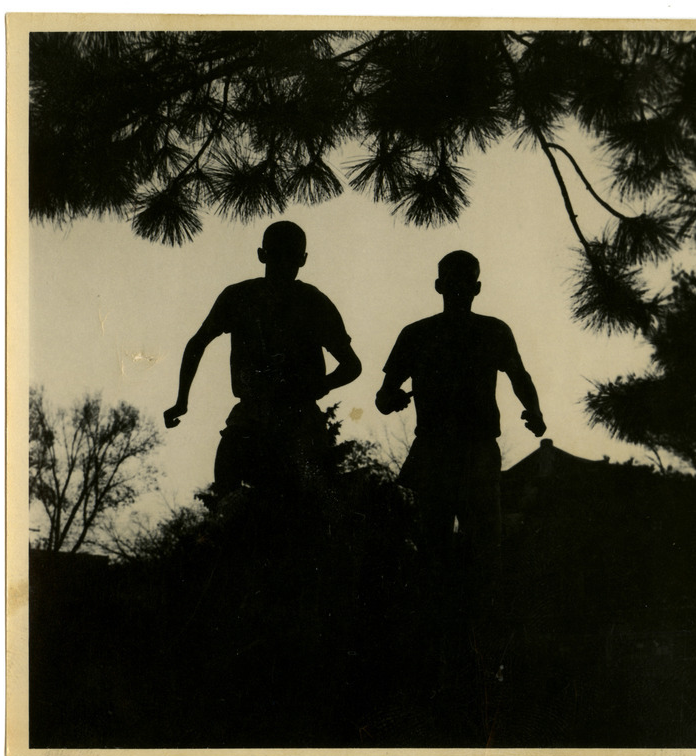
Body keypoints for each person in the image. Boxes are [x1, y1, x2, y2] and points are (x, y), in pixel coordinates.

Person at [375, 250, 546, 690]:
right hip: (467, 454)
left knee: (438, 555)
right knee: (480, 556)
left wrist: (393, 399)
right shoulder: (490, 331)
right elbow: (520, 378)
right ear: (476, 287)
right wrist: (534, 412)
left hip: (443, 453)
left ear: (440, 286)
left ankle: (445, 657)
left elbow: (384, 394)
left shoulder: (419, 334)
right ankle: (474, 658)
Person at [164, 221, 362, 497]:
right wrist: (181, 400)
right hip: (254, 416)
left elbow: (352, 366)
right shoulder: (241, 297)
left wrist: (317, 386)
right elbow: (197, 343)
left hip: (298, 418)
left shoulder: (311, 302)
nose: (283, 264)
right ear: (263, 255)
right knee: (232, 495)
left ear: (301, 260)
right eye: (279, 255)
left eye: (289, 257)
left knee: (298, 507)